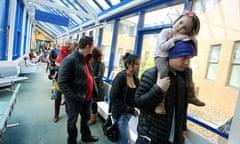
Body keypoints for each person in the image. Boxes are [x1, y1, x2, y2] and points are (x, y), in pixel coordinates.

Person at [135, 40, 197, 144]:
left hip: (171, 139)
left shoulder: (181, 78)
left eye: (189, 58)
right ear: (171, 55)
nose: (187, 62)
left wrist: (183, 128)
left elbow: (182, 107)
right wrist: (158, 89)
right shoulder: (152, 74)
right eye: (184, 58)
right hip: (150, 138)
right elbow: (138, 102)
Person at [154, 10, 204, 115]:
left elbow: (193, 48)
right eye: (180, 23)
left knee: (189, 70)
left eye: (185, 28)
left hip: (171, 57)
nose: (180, 27)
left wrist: (193, 40)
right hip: (161, 56)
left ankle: (191, 96)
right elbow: (162, 47)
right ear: (177, 20)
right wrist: (175, 39)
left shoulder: (182, 36)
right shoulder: (166, 32)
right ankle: (160, 102)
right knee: (163, 72)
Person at [58, 36, 99, 144]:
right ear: (87, 46)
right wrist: (73, 97)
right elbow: (62, 82)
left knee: (85, 119)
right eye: (92, 46)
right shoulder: (70, 60)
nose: (93, 48)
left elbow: (88, 76)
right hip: (75, 99)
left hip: (87, 97)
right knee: (72, 122)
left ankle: (86, 136)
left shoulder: (86, 59)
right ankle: (72, 141)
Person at [110, 52, 140, 144]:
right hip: (120, 114)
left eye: (139, 64)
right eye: (136, 64)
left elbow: (137, 96)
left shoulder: (136, 79)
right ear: (128, 65)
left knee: (120, 139)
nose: (138, 66)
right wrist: (130, 110)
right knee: (125, 140)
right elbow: (113, 98)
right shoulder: (120, 78)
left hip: (128, 114)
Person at [52, 41, 75, 123]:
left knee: (68, 98)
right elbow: (57, 63)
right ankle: (56, 114)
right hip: (60, 79)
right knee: (57, 97)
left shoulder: (73, 54)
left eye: (70, 45)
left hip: (69, 80)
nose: (69, 46)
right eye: (68, 45)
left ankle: (68, 113)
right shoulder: (63, 52)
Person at [88, 48, 105, 125]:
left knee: (94, 102)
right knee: (91, 101)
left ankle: (93, 118)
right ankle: (92, 116)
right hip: (91, 86)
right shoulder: (90, 63)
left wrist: (89, 77)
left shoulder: (101, 65)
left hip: (98, 88)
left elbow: (99, 77)